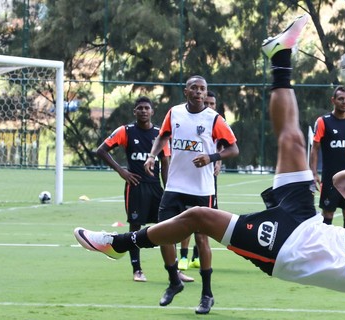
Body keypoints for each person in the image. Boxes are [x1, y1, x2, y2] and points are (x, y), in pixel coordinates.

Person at [74, 14, 345, 319]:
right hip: (305, 218)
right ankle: (281, 56)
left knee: (200, 216)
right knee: (292, 138)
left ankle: (120, 244)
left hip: (285, 249)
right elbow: (342, 184)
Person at [142, 75, 240, 313]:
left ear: (206, 93)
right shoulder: (174, 113)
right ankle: (174, 281)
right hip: (175, 185)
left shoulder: (213, 119)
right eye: (194, 88)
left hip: (201, 188)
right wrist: (153, 155)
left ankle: (207, 294)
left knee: (201, 238)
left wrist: (211, 157)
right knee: (162, 233)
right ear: (185, 91)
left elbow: (233, 149)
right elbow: (163, 135)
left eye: (202, 89)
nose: (198, 92)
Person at [95, 96, 170, 282]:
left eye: (147, 108)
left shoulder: (160, 135)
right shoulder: (125, 131)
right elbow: (101, 150)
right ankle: (137, 270)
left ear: (152, 112)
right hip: (135, 187)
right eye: (140, 108)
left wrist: (168, 188)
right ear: (134, 112)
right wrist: (122, 171)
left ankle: (173, 270)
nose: (143, 111)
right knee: (135, 228)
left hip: (156, 188)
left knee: (167, 227)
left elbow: (166, 162)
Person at [309, 85, 345, 228]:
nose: (344, 102)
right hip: (330, 178)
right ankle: (323, 246)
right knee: (327, 214)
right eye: (341, 99)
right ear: (333, 100)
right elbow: (314, 149)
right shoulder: (323, 121)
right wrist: (313, 173)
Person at [178, 91, 222, 270]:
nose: (210, 106)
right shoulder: (187, 119)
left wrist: (217, 162)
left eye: (213, 104)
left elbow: (222, 147)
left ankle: (197, 256)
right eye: (208, 102)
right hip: (187, 178)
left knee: (205, 220)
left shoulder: (217, 122)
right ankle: (183, 256)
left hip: (207, 181)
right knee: (186, 218)